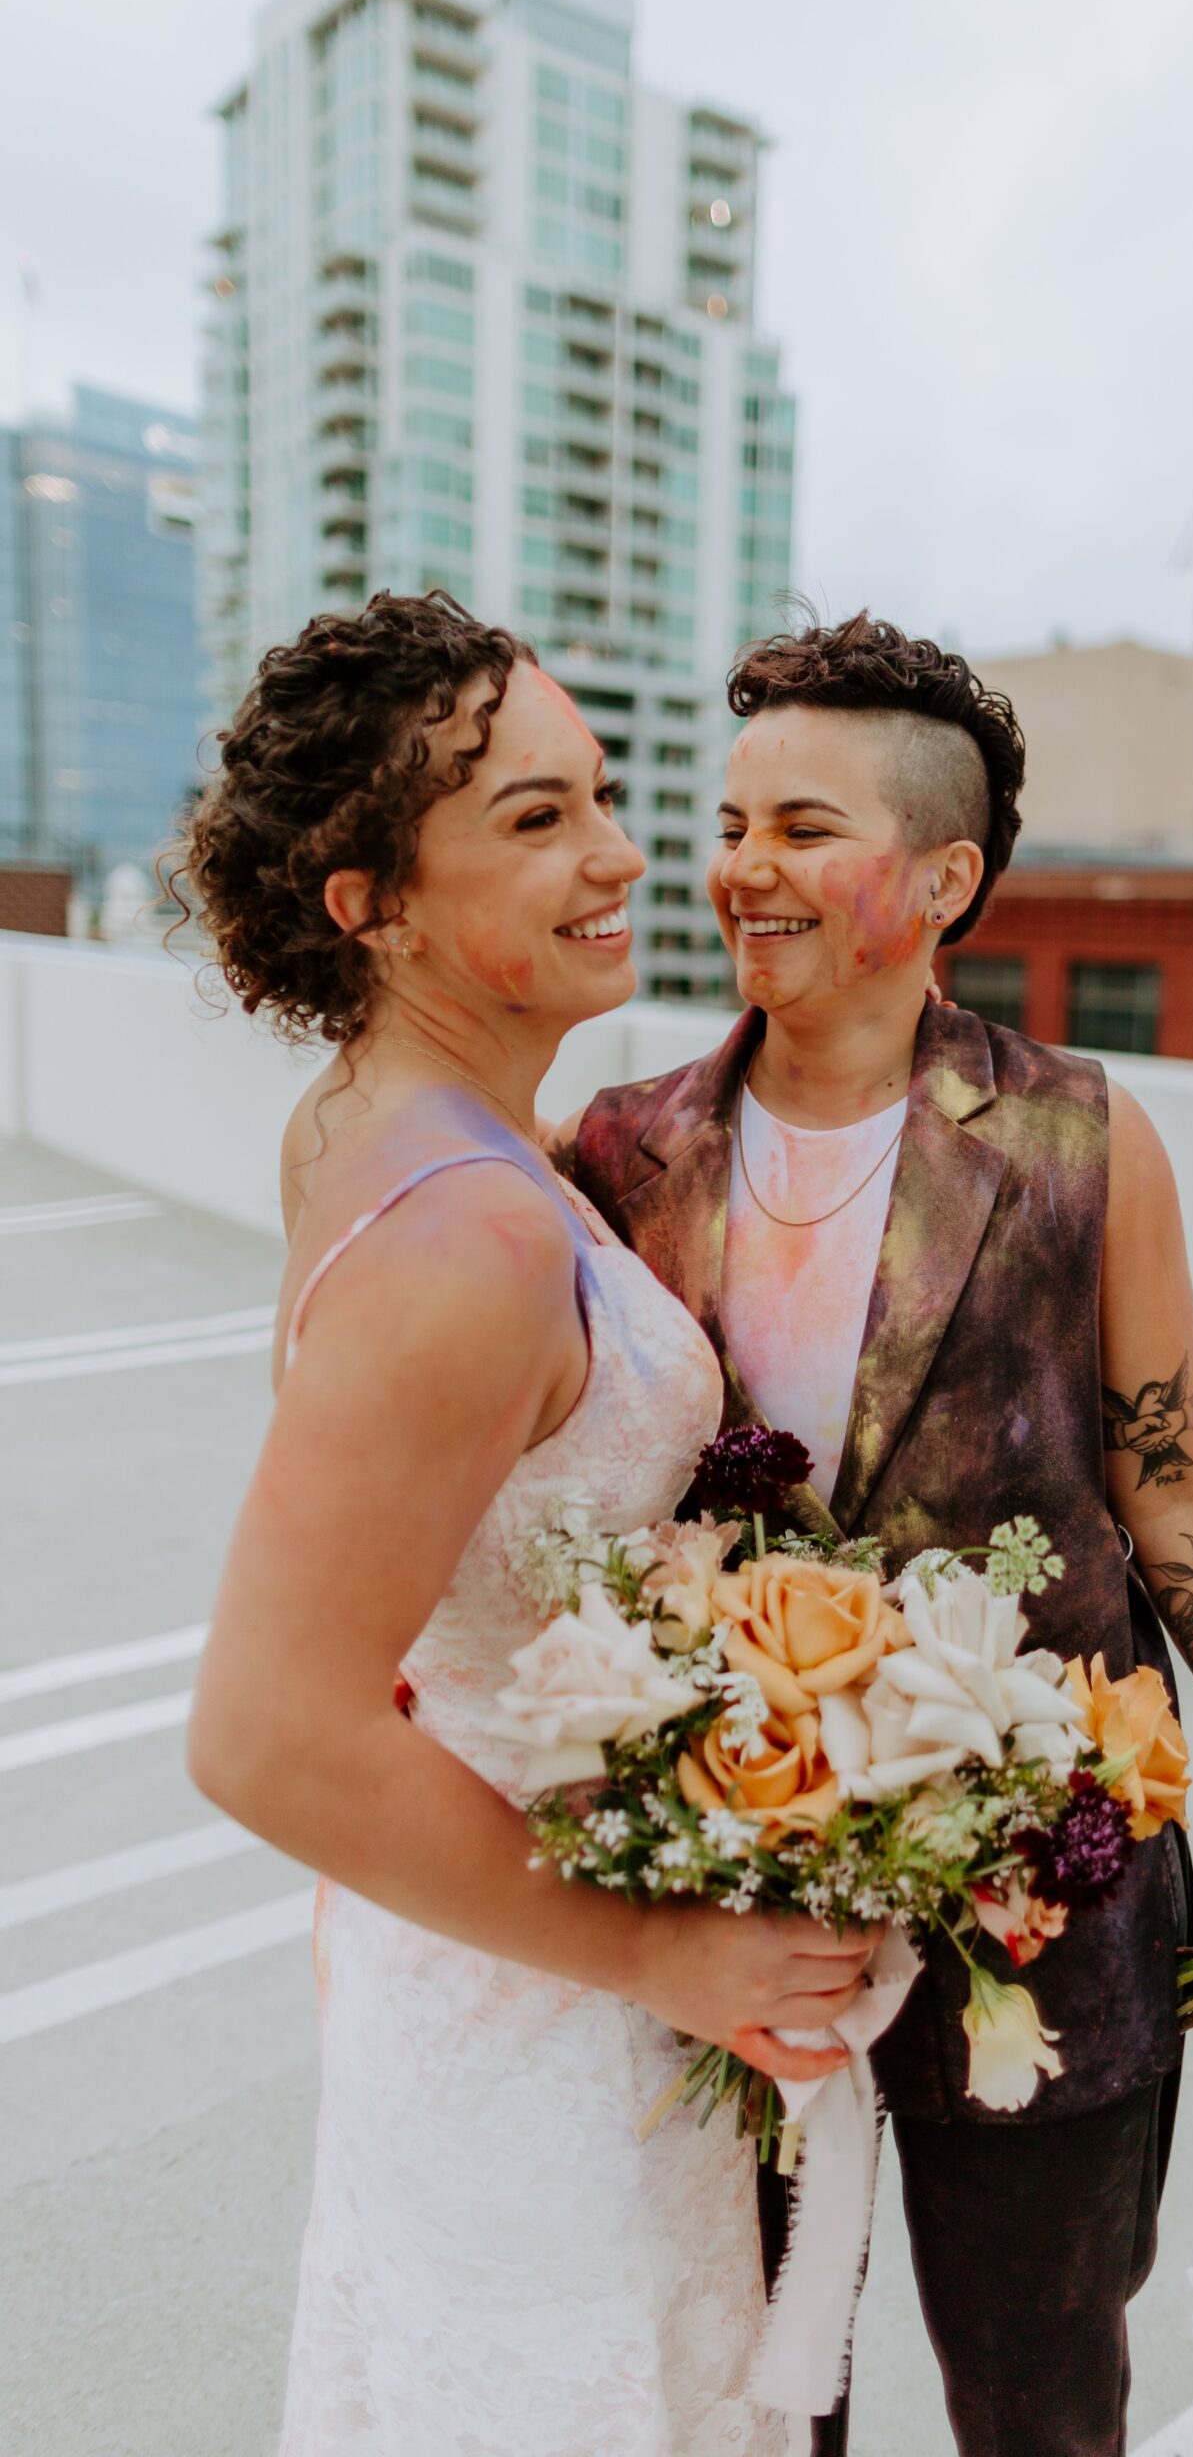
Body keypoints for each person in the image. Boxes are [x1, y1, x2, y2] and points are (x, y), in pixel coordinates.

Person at [564, 610, 1193, 2457]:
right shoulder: (616, 1150)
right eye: (733, 818)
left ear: (943, 875)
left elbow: (1181, 1483)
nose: (744, 868)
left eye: (802, 826)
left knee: (1044, 2406)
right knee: (758, 2400)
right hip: (738, 1918)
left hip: (1050, 1913)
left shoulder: (1081, 1142)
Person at [179, 590, 878, 2457]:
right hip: (553, 2006)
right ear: (371, 907)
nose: (622, 855)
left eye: (601, 795)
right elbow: (259, 1732)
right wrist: (667, 1957)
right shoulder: (472, 1240)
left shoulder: (373, 1126)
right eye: (534, 818)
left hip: (472, 1960)